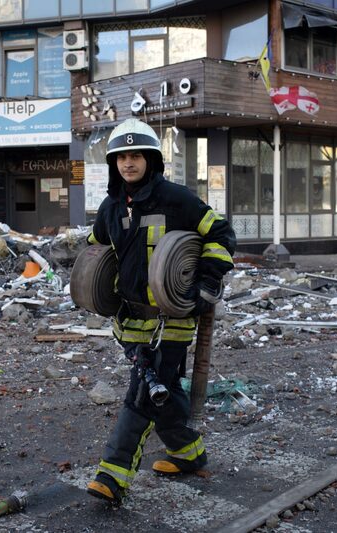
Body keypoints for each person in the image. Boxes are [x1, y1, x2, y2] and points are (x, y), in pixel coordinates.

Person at [84, 118, 236, 504]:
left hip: (171, 320)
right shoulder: (111, 206)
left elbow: (220, 233)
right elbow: (96, 252)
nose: (128, 163)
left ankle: (112, 476)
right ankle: (189, 453)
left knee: (142, 393)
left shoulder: (178, 199)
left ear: (151, 159)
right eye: (121, 156)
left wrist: (206, 281)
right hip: (129, 321)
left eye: (136, 155)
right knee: (160, 391)